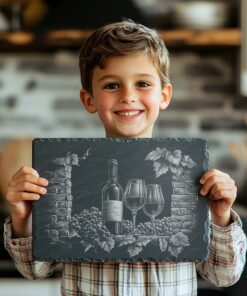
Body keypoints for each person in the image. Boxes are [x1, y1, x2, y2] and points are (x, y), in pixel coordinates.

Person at [4, 20, 246, 296]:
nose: (128, 96)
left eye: (142, 83)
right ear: (89, 100)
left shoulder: (188, 179)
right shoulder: (70, 175)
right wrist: (22, 218)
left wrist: (220, 217)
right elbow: (34, 271)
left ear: (164, 95)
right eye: (111, 86)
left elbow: (224, 275)